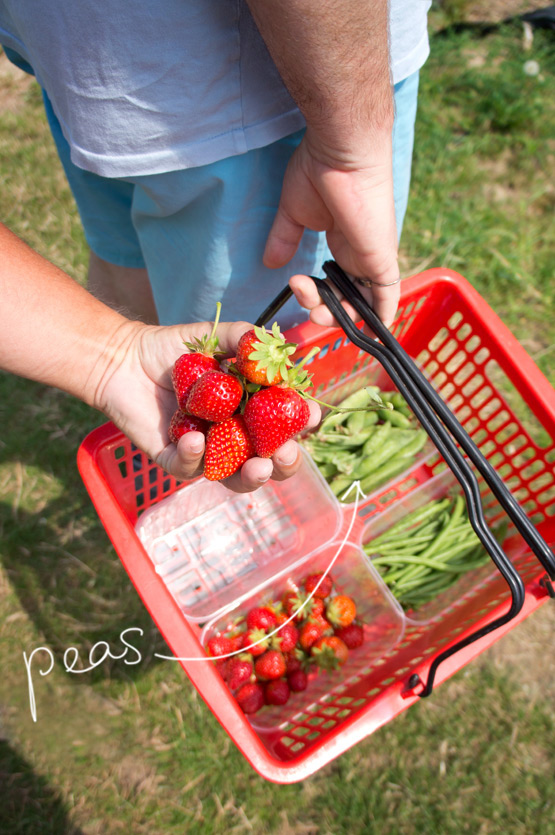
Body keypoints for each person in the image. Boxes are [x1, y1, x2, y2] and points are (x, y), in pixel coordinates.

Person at [0, 1, 431, 331]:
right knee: (263, 361)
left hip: (86, 57)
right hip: (257, 84)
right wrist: (348, 150)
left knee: (131, 265)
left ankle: (162, 432)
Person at [0, 221, 320, 491]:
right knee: (120, 249)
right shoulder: (216, 381)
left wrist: (119, 353)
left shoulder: (221, 387)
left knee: (118, 242)